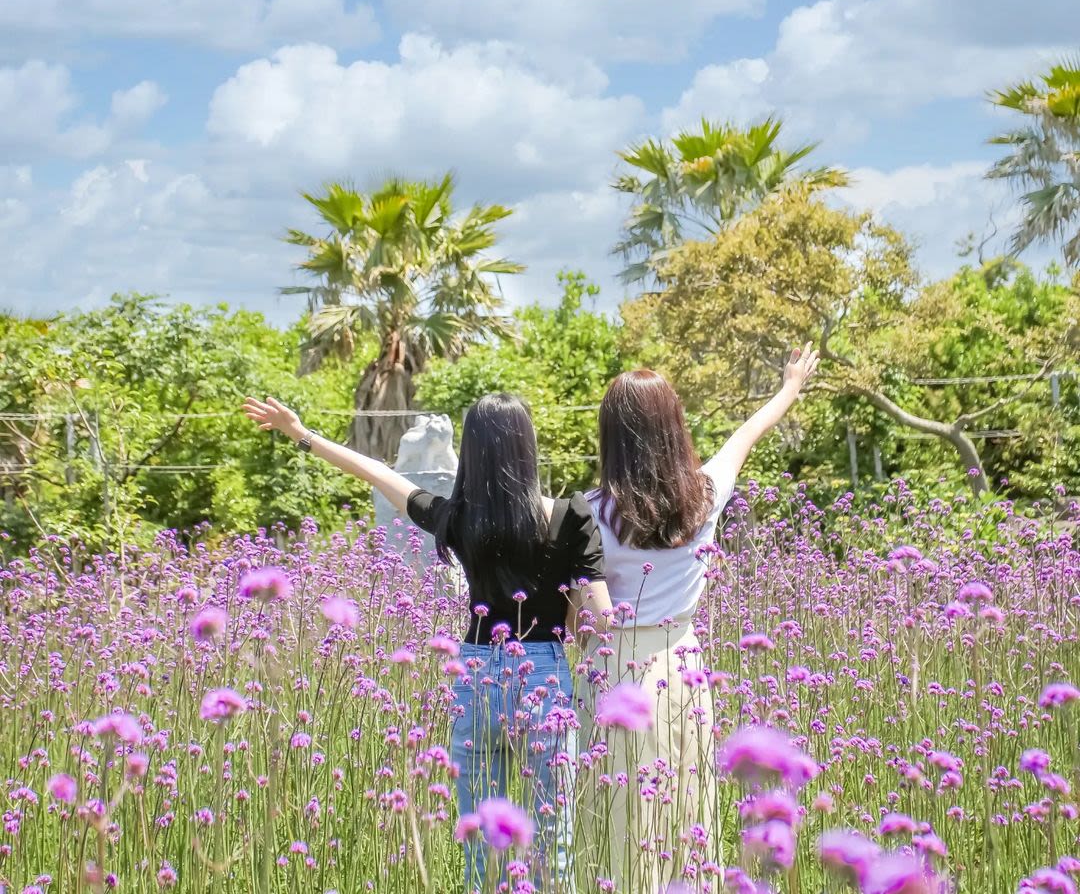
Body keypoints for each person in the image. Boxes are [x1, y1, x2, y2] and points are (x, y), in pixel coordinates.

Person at [242, 392, 611, 891]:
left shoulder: (456, 518)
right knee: (555, 841)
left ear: (472, 451)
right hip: (544, 673)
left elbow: (377, 473)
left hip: (474, 675)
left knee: (482, 845)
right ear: (528, 446)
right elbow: (602, 619)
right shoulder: (571, 515)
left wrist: (301, 434)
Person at [577, 345, 819, 890]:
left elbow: (582, 619)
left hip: (617, 671)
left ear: (611, 437)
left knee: (621, 814)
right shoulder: (707, 492)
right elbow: (748, 432)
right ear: (674, 426)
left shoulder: (591, 511)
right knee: (688, 808)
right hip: (684, 665)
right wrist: (790, 384)